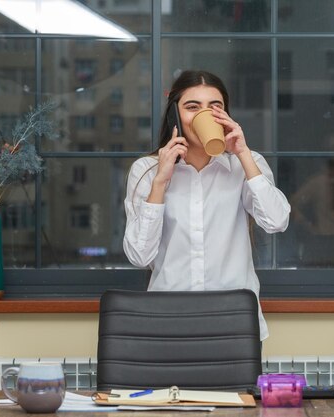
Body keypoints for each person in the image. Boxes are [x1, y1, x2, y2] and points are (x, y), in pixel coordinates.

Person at [123, 70, 290, 341]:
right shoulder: (146, 170)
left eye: (216, 106)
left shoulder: (245, 164)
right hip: (167, 323)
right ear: (174, 115)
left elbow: (276, 221)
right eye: (192, 107)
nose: (206, 114)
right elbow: (139, 255)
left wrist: (243, 153)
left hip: (234, 322)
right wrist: (160, 182)